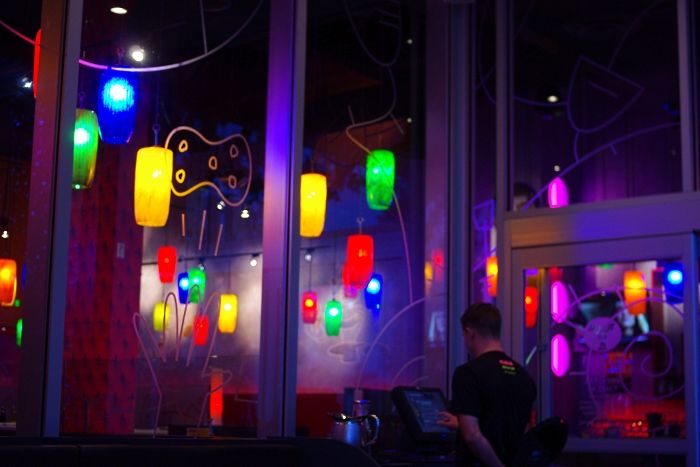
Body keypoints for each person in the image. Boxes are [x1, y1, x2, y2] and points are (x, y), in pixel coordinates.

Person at [437, 303, 536, 467]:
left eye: (463, 335)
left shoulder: (467, 373)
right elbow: (518, 429)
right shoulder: (524, 376)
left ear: (470, 333)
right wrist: (461, 423)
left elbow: (472, 436)